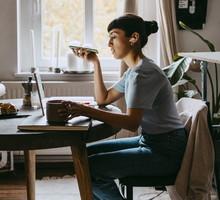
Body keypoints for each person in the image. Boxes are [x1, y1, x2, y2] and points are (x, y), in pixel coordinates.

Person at [59, 13, 187, 200]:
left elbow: (132, 122)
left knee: (91, 167)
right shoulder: (135, 71)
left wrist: (84, 110)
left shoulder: (143, 73)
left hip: (166, 151)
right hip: (152, 141)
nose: (109, 44)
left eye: (113, 36)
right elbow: (103, 99)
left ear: (134, 38)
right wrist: (95, 63)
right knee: (85, 155)